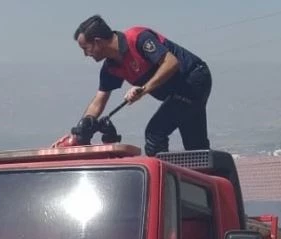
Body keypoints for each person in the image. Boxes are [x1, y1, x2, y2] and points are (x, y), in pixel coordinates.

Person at [67, 15, 212, 157]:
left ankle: (163, 179)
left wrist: (144, 89)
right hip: (178, 93)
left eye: (85, 48)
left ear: (98, 42)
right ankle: (219, 178)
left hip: (194, 79)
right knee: (196, 149)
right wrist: (81, 129)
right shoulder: (110, 68)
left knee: (155, 134)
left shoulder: (138, 38)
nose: (86, 54)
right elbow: (99, 101)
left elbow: (171, 63)